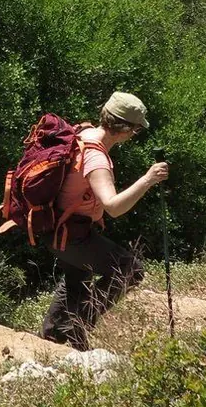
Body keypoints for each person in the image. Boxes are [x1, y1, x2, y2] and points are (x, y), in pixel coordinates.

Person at [39, 91, 169, 349]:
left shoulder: (82, 134)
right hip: (72, 235)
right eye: (135, 131)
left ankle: (53, 337)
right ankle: (78, 326)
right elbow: (113, 207)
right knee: (130, 269)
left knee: (77, 278)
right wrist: (148, 179)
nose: (134, 136)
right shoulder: (97, 157)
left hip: (55, 229)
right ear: (123, 128)